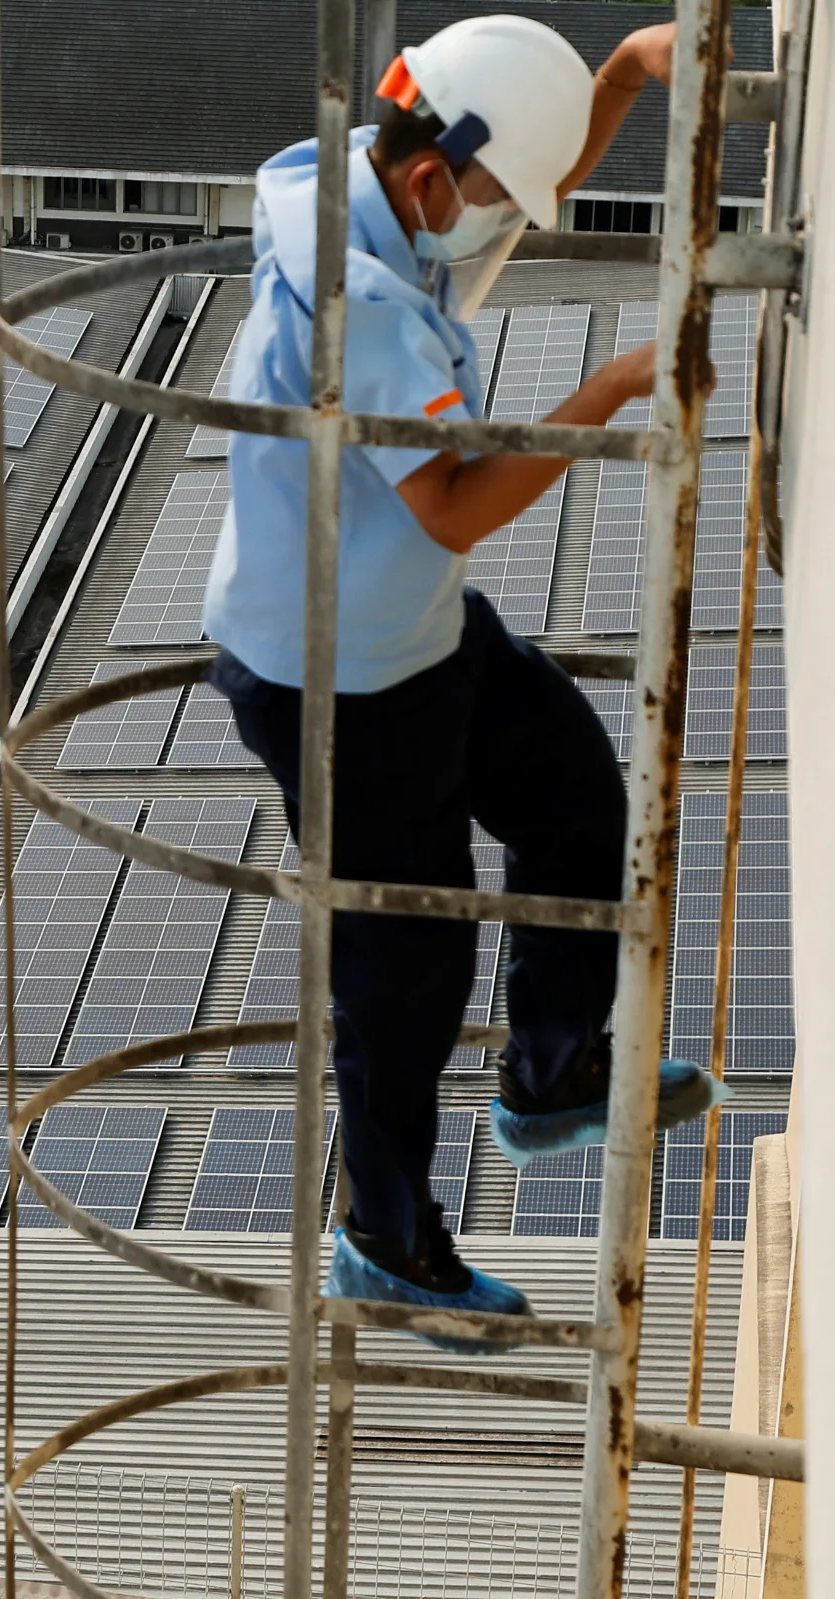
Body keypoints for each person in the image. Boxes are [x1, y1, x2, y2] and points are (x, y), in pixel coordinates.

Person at [201, 14, 727, 1350]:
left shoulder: (375, 184)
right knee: (403, 970)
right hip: (336, 682)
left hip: (412, 632)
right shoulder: (354, 308)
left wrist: (618, 78)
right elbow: (448, 502)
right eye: (490, 199)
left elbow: (508, 188)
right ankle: (384, 1236)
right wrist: (613, 386)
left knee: (568, 788)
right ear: (434, 175)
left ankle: (554, 1072)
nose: (498, 226)